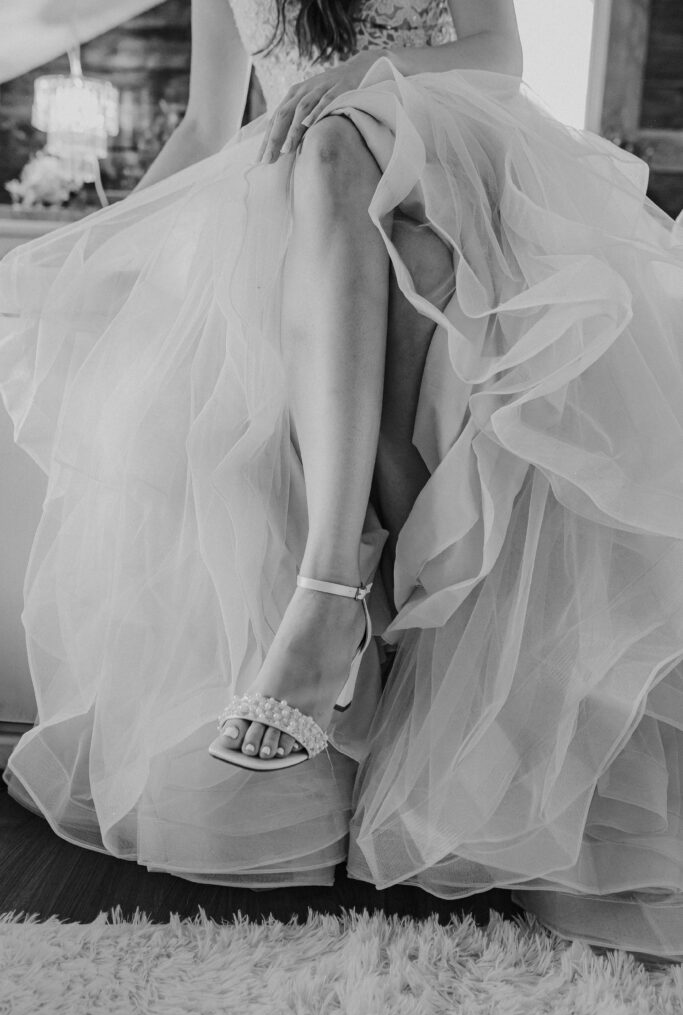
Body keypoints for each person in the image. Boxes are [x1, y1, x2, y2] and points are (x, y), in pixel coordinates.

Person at [2, 0, 683, 960]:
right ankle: (393, 648)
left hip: (444, 160)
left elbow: (499, 50)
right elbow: (206, 125)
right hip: (296, 207)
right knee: (337, 235)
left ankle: (330, 593)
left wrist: (359, 80)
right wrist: (97, 251)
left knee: (349, 166)